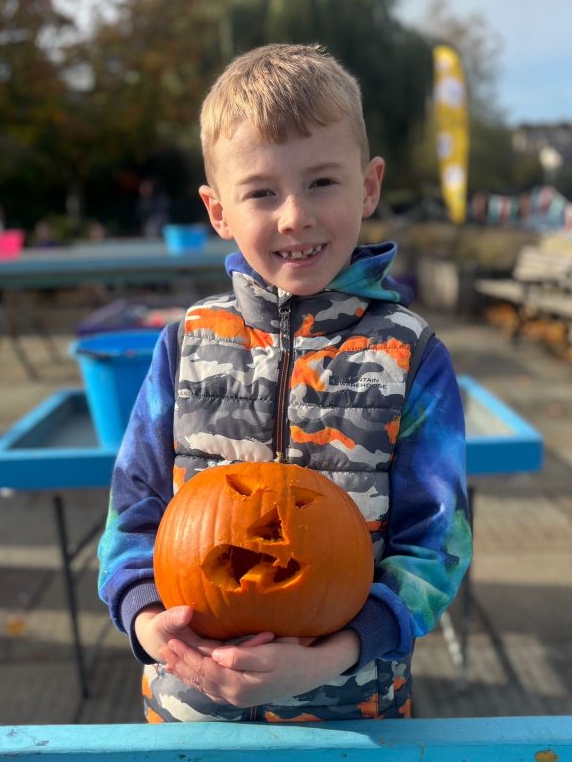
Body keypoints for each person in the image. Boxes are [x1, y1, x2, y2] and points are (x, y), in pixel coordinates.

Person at [98, 43, 472, 723]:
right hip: (190, 706)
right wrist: (148, 621)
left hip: (354, 711)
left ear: (368, 185)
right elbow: (134, 508)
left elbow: (437, 543)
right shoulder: (185, 342)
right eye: (262, 192)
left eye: (322, 183)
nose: (294, 215)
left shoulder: (413, 355)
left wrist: (334, 654)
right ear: (218, 211)